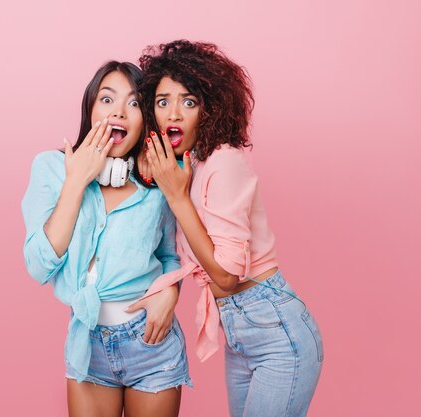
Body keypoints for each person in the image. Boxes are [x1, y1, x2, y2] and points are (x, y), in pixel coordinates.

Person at [133, 40, 323, 417]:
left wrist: (178, 197)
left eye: (189, 102)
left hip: (276, 331)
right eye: (162, 101)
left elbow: (227, 275)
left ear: (209, 108)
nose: (174, 112)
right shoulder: (191, 165)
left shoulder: (224, 162)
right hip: (239, 335)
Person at [21, 60, 191, 417]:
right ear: (90, 108)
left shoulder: (157, 178)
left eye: (133, 103)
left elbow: (169, 254)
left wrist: (170, 292)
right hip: (88, 345)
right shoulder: (50, 168)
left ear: (145, 117)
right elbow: (38, 266)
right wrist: (76, 181)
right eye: (107, 99)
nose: (120, 112)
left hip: (152, 342)